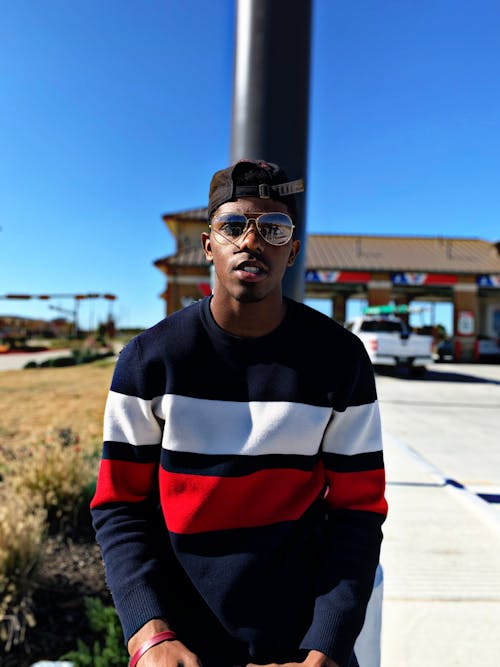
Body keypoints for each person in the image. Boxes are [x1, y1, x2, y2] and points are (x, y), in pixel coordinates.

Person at [91, 159, 388, 667]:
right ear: (209, 245)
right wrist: (149, 634)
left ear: (292, 251)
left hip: (302, 641)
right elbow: (119, 505)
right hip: (180, 641)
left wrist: (328, 647)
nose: (251, 241)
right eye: (233, 226)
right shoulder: (149, 362)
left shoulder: (339, 360)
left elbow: (357, 512)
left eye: (273, 228)